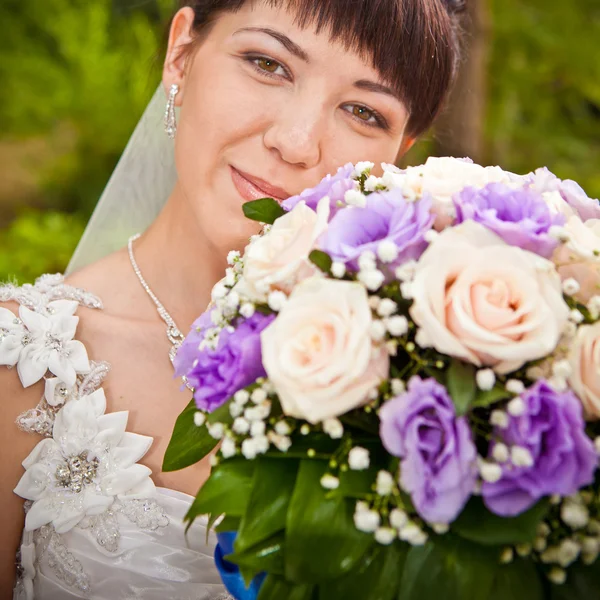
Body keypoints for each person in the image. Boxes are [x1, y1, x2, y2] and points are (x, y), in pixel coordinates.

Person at [0, 0, 465, 597]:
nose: (297, 143)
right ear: (181, 54)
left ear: (400, 154)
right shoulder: (23, 363)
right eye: (267, 63)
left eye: (361, 110)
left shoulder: (431, 385)